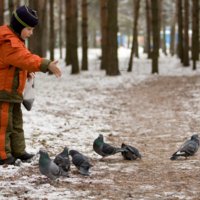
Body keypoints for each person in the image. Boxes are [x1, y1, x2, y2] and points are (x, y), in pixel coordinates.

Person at [0, 5, 62, 165]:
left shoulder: (16, 40)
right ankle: (2, 155)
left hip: (12, 92)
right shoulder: (9, 43)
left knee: (16, 124)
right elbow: (24, 58)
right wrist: (45, 64)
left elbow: (15, 63)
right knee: (3, 125)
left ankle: (17, 151)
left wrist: (26, 72)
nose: (31, 33)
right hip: (3, 92)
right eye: (28, 29)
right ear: (19, 26)